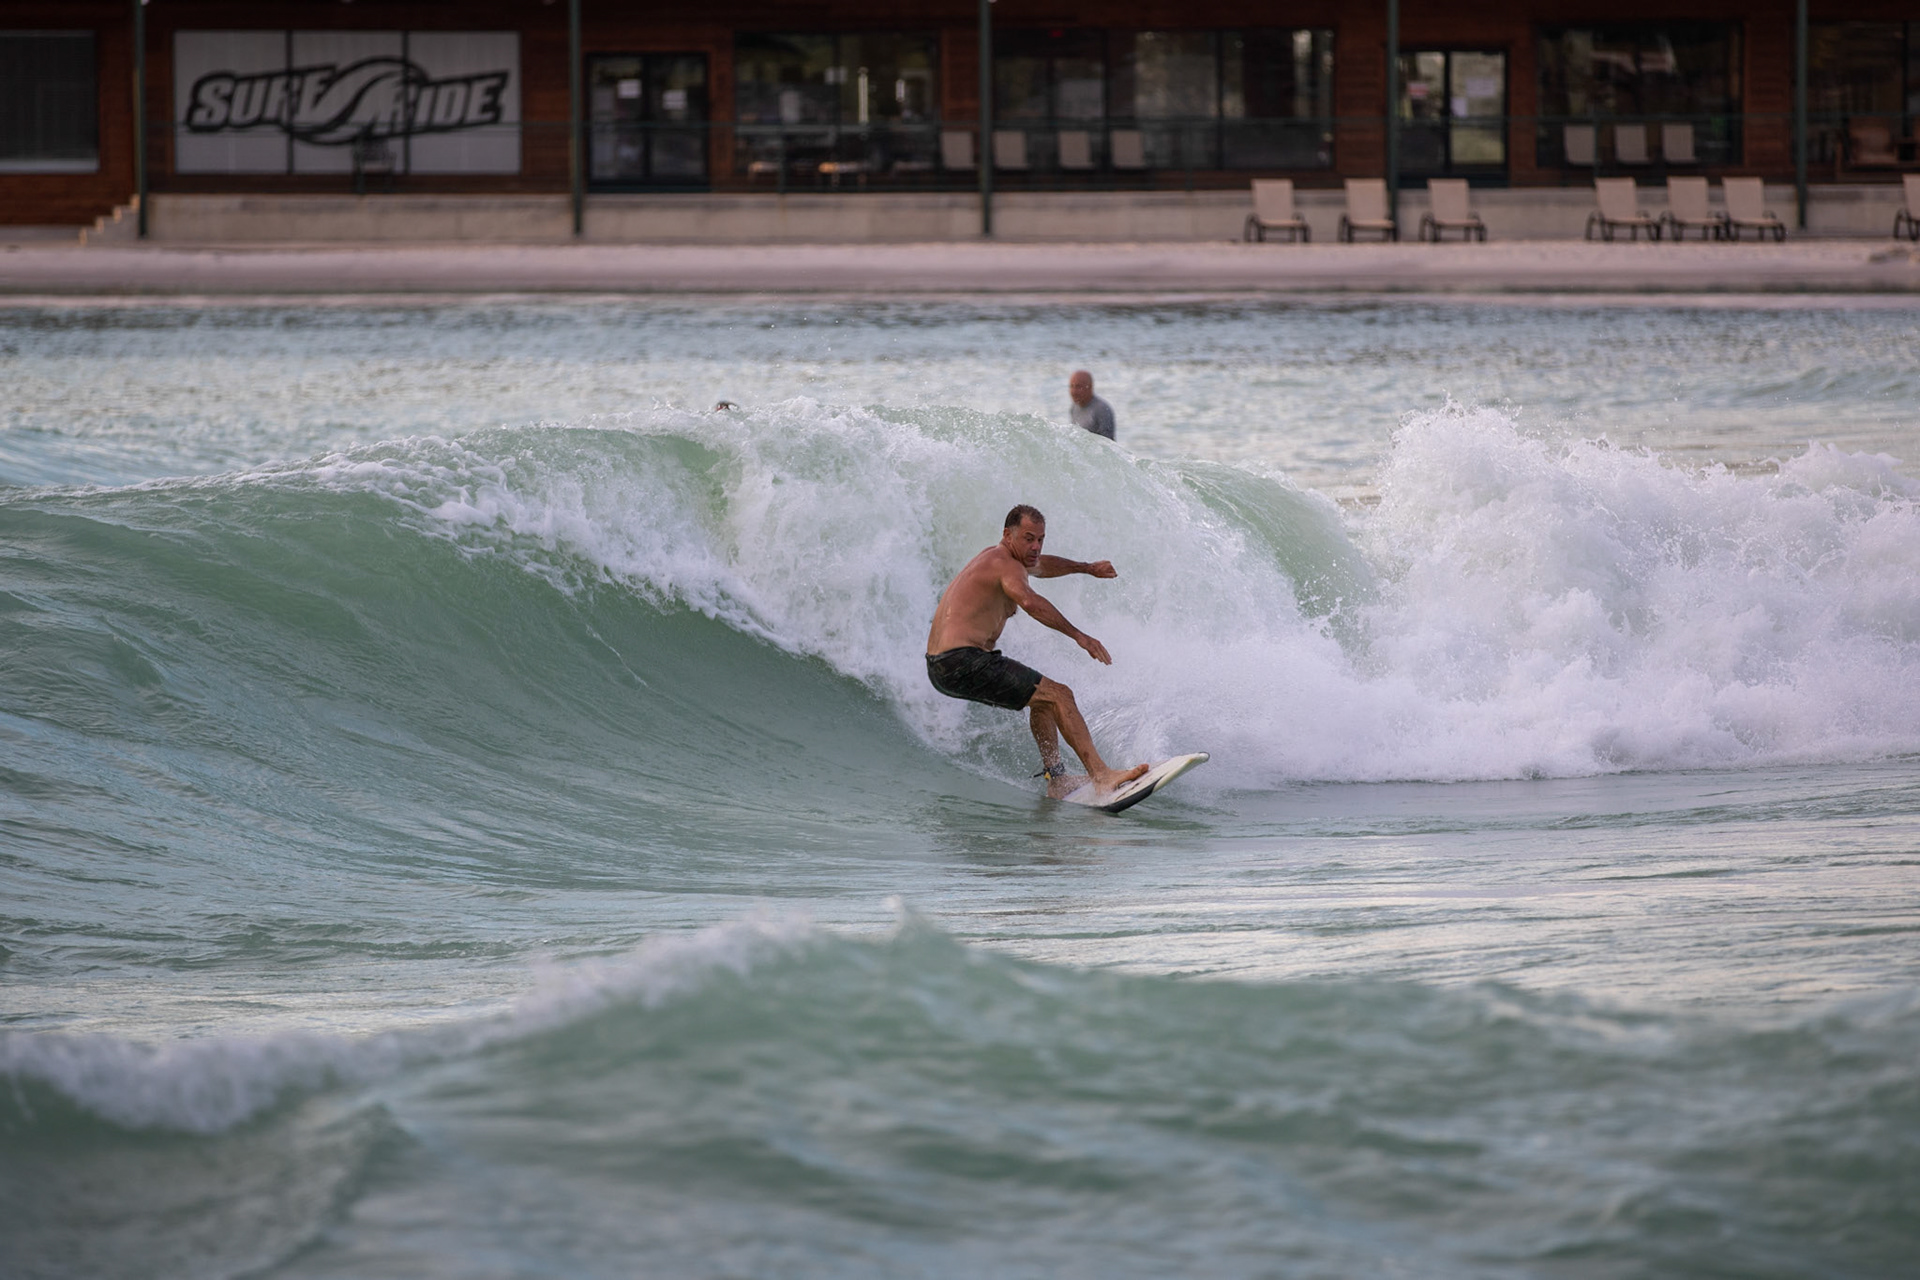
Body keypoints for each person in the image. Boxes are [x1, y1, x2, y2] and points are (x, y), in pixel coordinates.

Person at [925, 504, 1149, 798]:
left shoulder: (1002, 559)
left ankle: (1057, 779)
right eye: (1029, 538)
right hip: (962, 660)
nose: (1036, 546)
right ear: (1008, 535)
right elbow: (1030, 602)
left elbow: (1042, 566)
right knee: (1060, 695)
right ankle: (1102, 775)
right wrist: (1079, 636)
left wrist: (1087, 568)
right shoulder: (1006, 564)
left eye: (1041, 539)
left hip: (944, 664)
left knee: (1043, 701)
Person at [1067, 370, 1115, 440]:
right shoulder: (1074, 407)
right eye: (1071, 386)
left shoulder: (1102, 410)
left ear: (1090, 387)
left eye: (1078, 387)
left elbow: (1108, 443)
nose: (1074, 391)